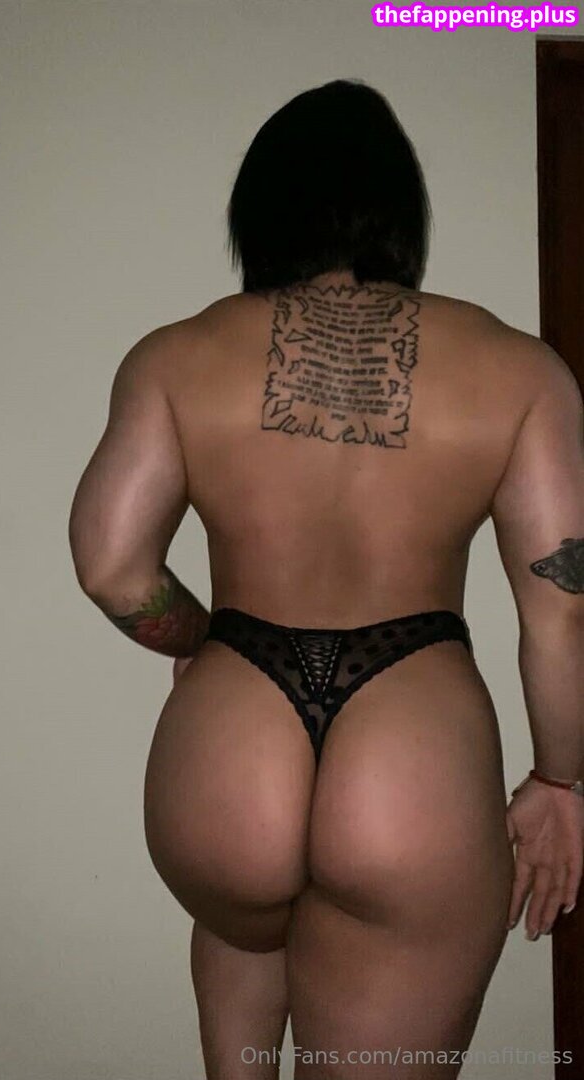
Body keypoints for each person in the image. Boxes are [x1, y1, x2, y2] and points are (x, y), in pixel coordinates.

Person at [68, 79, 584, 1080]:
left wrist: (198, 642)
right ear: (401, 214)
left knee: (242, 941)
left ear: (258, 211)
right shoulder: (518, 369)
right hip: (411, 733)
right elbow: (560, 613)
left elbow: (110, 568)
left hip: (230, 734)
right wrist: (559, 781)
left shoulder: (176, 355)